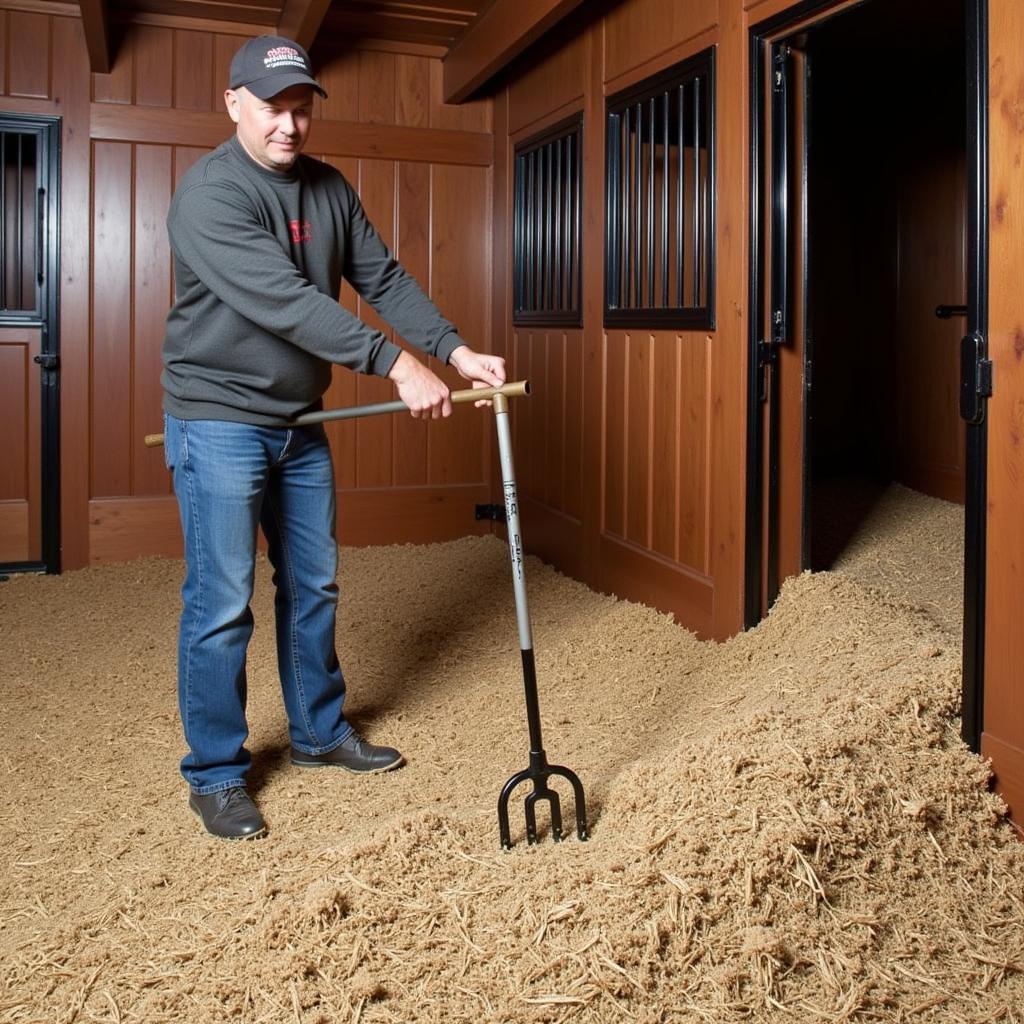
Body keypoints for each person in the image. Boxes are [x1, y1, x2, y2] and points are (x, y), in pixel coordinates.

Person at [160, 35, 506, 840]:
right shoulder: (209, 196)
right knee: (220, 603)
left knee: (313, 586)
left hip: (300, 422)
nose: (289, 124)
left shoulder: (328, 188)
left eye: (301, 106)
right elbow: (282, 300)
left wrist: (452, 351)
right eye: (272, 106)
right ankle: (215, 772)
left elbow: (381, 275)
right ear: (234, 102)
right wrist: (395, 364)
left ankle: (318, 734)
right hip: (217, 420)